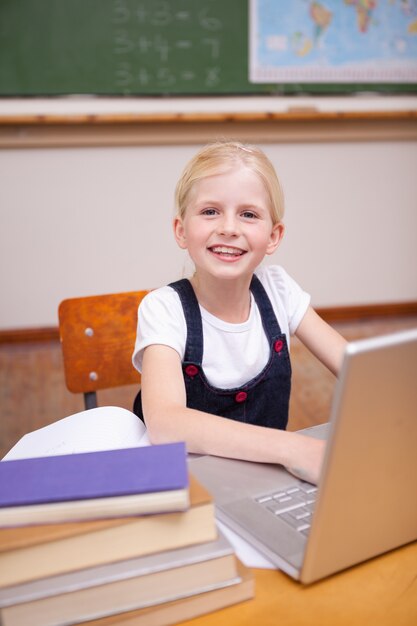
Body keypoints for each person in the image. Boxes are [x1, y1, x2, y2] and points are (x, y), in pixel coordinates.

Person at [132, 141, 347, 485]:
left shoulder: (279, 289)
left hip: (265, 480)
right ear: (181, 230)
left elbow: (356, 367)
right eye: (210, 211)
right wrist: (291, 448)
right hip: (186, 485)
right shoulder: (164, 308)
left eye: (248, 214)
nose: (229, 228)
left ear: (273, 236)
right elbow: (165, 424)